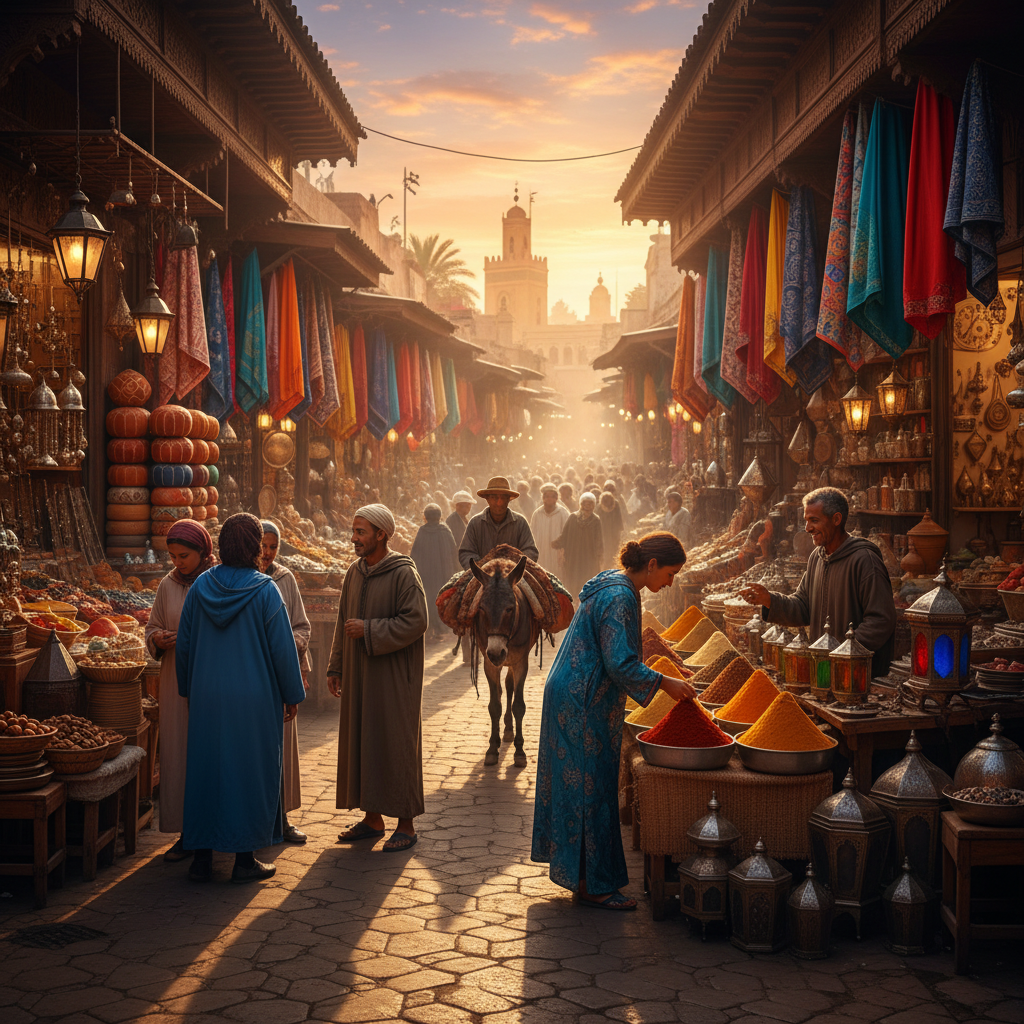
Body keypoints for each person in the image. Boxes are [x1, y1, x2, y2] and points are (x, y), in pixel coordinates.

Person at [532, 532, 693, 909]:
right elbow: (619, 662)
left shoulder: (612, 582)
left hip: (572, 691)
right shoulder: (620, 594)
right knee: (590, 788)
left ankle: (584, 876)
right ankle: (595, 885)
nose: (670, 583)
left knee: (583, 785)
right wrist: (665, 682)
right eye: (670, 574)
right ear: (651, 565)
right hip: (583, 699)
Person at [176, 513, 306, 883]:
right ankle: (244, 860)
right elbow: (283, 650)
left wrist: (188, 688)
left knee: (205, 771)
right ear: (252, 547)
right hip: (254, 699)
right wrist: (291, 694)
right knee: (250, 772)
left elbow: (184, 646)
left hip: (207, 694)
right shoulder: (266, 591)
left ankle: (201, 858)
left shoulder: (201, 587)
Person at [328, 504, 429, 852]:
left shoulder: (404, 573)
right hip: (359, 675)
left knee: (397, 742)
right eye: (353, 531)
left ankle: (407, 824)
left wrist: (370, 629)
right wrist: (336, 666)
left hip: (394, 678)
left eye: (361, 532)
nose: (354, 538)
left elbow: (416, 621)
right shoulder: (354, 573)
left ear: (381, 534)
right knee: (366, 740)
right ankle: (372, 819)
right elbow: (344, 621)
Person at [741, 487, 897, 677]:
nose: (807, 529)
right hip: (823, 673)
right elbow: (803, 607)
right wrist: (770, 600)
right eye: (806, 521)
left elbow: (881, 621)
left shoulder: (865, 560)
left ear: (836, 520)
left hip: (858, 677)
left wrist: (842, 654)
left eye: (814, 521)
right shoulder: (817, 557)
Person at [145, 520, 215, 862]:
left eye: (184, 555)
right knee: (178, 755)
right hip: (174, 683)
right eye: (172, 556)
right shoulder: (166, 586)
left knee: (209, 755)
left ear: (203, 552)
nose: (177, 562)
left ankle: (216, 829)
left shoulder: (217, 583)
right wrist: (158, 639)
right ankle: (187, 833)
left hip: (209, 681)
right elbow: (152, 626)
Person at [260, 521, 311, 844]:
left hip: (281, 675)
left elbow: (302, 627)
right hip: (252, 678)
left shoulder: (284, 578)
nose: (266, 553)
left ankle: (283, 819)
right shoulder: (238, 580)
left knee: (282, 752)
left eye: (272, 547)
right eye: (261, 546)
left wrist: (284, 643)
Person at [459, 477, 538, 569]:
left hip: (513, 576)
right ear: (487, 499)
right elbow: (465, 552)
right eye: (494, 497)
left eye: (503, 497)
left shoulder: (520, 522)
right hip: (482, 576)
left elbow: (531, 551)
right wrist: (482, 565)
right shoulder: (475, 523)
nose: (499, 502)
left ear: (509, 500)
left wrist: (513, 562)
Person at [410, 503, 460, 642]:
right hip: (444, 573)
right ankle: (441, 629)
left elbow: (415, 554)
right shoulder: (445, 530)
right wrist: (455, 570)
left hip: (425, 573)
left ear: (425, 518)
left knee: (427, 599)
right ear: (440, 517)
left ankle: (430, 628)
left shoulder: (422, 531)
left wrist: (414, 571)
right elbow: (453, 552)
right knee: (441, 599)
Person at [551, 492, 604, 598]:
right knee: (573, 579)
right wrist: (556, 543)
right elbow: (565, 535)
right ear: (581, 504)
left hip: (589, 556)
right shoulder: (573, 518)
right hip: (573, 555)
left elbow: (599, 540)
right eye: (585, 503)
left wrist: (599, 555)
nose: (587, 506)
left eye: (590, 504)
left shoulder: (596, 520)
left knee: (587, 578)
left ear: (593, 505)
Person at [530, 483, 570, 573]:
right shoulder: (537, 514)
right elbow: (532, 535)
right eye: (547, 496)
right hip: (541, 554)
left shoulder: (563, 513)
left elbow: (569, 535)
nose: (549, 499)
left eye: (552, 496)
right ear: (543, 498)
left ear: (556, 498)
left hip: (558, 555)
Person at [598, 491, 624, 569]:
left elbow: (619, 521)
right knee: (605, 556)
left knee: (613, 553)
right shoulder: (598, 509)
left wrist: (618, 535)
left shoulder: (616, 505)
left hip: (614, 534)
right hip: (603, 535)